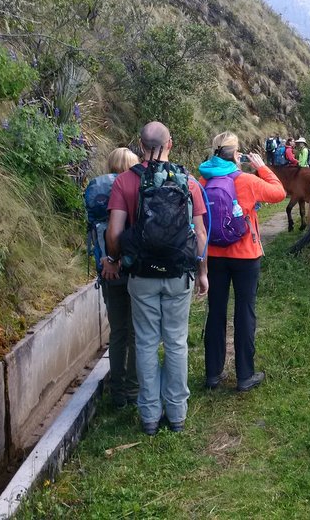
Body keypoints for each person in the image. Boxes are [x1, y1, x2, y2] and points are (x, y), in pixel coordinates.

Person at [104, 122, 208, 435]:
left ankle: (149, 417)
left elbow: (114, 232)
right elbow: (201, 233)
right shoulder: (187, 181)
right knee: (176, 342)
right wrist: (202, 271)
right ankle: (176, 415)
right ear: (170, 144)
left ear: (140, 145)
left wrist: (113, 259)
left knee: (147, 343)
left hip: (142, 277)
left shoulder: (124, 181)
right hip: (178, 275)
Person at [198, 131, 286, 392]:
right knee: (244, 312)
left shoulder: (204, 180)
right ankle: (244, 375)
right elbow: (279, 193)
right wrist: (262, 168)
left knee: (216, 312)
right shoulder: (247, 180)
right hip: (246, 256)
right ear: (236, 154)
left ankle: (213, 374)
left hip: (214, 256)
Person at [93, 147, 140, 409]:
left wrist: (107, 261)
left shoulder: (98, 195)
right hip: (133, 272)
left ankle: (117, 392)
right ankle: (133, 390)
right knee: (136, 333)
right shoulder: (133, 190)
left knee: (118, 332)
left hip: (108, 273)